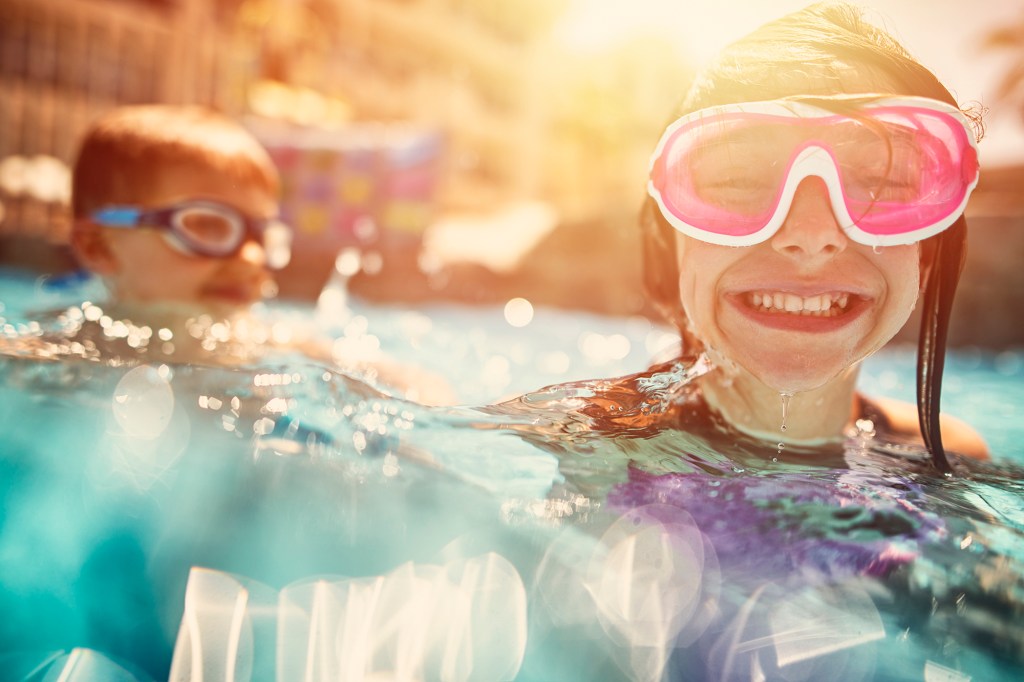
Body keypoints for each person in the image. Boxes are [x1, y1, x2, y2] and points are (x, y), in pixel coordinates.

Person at [496, 2, 988, 472]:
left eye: (881, 183)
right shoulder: (575, 444)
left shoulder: (944, 455)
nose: (810, 235)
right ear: (674, 245)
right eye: (737, 179)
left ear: (926, 255)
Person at [10, 105, 452, 404]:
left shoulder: (269, 339)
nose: (249, 258)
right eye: (206, 225)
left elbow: (410, 387)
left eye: (261, 234)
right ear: (98, 246)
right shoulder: (69, 339)